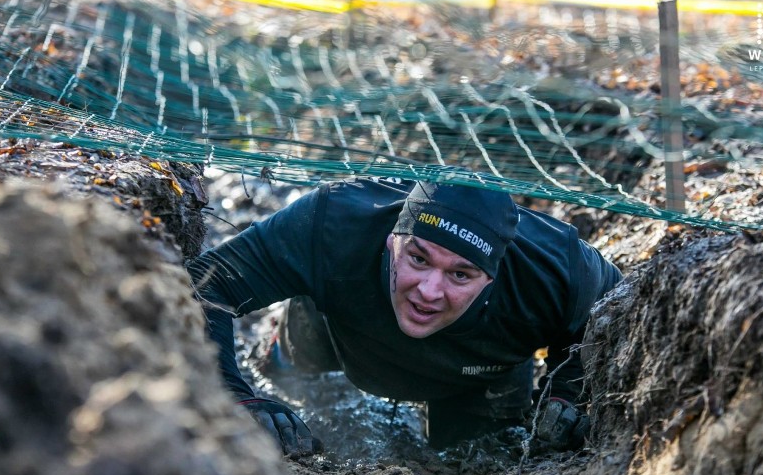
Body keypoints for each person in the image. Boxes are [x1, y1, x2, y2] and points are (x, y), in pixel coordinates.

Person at [186, 178, 622, 456]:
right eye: (418, 258)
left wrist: (565, 394)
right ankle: (283, 346)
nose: (429, 291)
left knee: (480, 458)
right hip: (341, 330)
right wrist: (231, 390)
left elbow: (612, 312)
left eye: (460, 274)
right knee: (293, 366)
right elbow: (204, 283)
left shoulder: (558, 269)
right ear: (394, 240)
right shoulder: (333, 222)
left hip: (480, 368)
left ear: (492, 278)